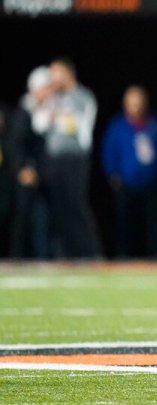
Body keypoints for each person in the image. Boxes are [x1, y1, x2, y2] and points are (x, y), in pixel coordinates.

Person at [41, 57, 101, 258]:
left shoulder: (83, 97)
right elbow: (40, 124)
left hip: (75, 159)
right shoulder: (53, 98)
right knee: (59, 208)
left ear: (68, 73)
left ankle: (91, 253)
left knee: (77, 205)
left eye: (56, 72)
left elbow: (81, 129)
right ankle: (67, 253)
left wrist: (60, 118)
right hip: (54, 159)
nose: (52, 77)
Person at [101, 85, 157, 258]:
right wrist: (112, 174)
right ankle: (124, 257)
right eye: (131, 103)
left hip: (151, 184)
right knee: (125, 224)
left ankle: (155, 257)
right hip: (126, 184)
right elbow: (109, 152)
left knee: (153, 224)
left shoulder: (154, 126)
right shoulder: (117, 127)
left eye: (138, 103)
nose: (135, 108)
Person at [7, 66, 53, 258]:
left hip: (43, 176)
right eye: (46, 88)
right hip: (27, 176)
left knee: (44, 222)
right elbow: (15, 145)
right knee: (23, 221)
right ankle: (17, 259)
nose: (49, 92)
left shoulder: (47, 111)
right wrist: (22, 169)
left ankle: (44, 258)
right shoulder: (24, 111)